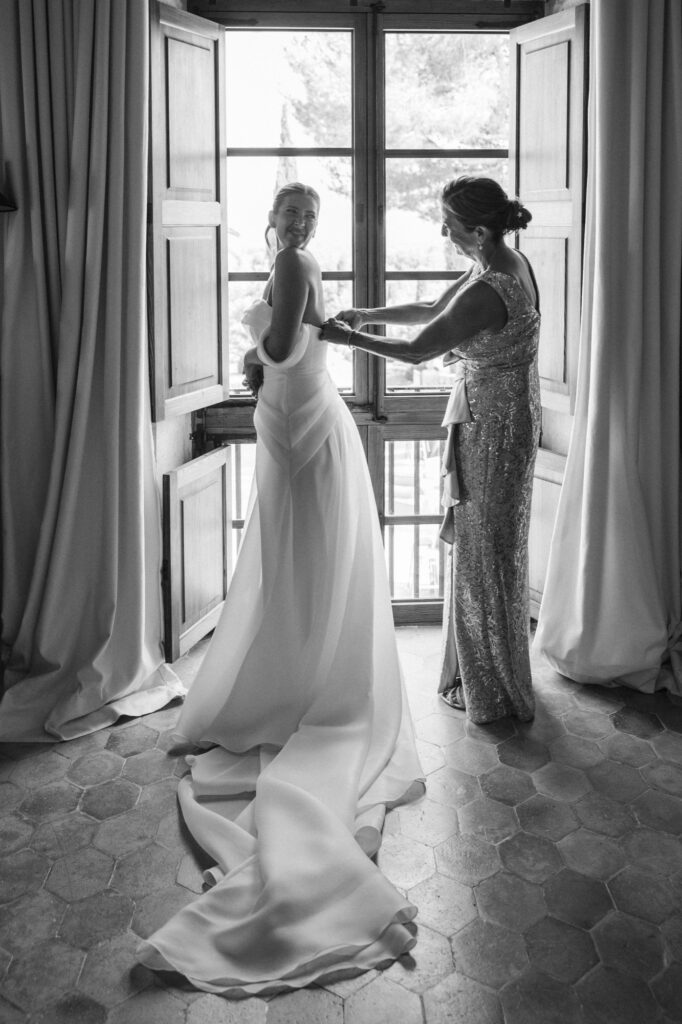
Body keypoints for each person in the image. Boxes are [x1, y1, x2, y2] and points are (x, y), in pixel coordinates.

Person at [137, 183, 425, 997]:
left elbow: (283, 346)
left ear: (311, 227)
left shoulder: (295, 263)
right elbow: (283, 344)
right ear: (274, 216)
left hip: (299, 426)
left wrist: (250, 349)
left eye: (307, 215)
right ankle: (293, 673)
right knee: (296, 561)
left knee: (298, 560)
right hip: (295, 422)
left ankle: (297, 685)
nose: (298, 226)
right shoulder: (290, 261)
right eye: (289, 213)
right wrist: (255, 350)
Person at [321, 175, 541, 725]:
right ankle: (492, 671)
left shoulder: (491, 288)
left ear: (481, 229)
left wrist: (345, 339)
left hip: (495, 426)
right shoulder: (496, 266)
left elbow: (421, 350)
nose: (443, 229)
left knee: (485, 547)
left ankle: (491, 686)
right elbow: (430, 308)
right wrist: (366, 314)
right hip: (501, 413)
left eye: (450, 222)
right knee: (491, 543)